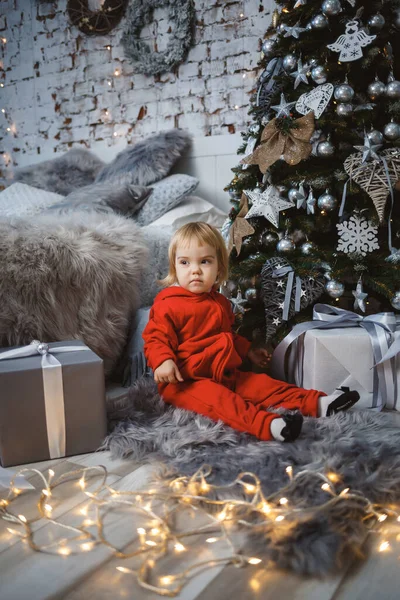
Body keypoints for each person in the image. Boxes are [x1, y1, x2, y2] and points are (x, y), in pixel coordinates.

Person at [142, 222, 359, 442]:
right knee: (224, 402)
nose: (195, 270)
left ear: (219, 268)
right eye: (185, 262)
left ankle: (319, 403)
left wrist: (248, 352)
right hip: (187, 381)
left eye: (205, 261)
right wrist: (163, 361)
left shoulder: (220, 303)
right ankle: (270, 425)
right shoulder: (168, 304)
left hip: (225, 374)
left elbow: (227, 338)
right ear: (174, 267)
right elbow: (155, 337)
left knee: (264, 386)